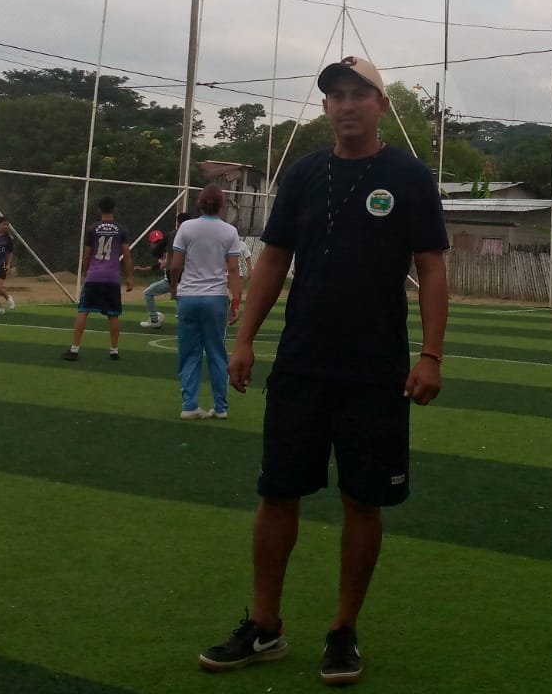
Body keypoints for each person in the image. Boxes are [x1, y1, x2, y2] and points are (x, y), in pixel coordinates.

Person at [198, 55, 448, 686]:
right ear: (326, 107)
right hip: (302, 363)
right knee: (277, 491)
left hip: (376, 369)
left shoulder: (410, 177)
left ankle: (343, 631)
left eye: (358, 94)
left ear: (381, 105)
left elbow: (432, 267)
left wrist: (431, 354)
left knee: (363, 500)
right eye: (335, 95)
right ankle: (265, 625)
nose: (345, 105)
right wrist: (243, 340)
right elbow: (273, 259)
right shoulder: (304, 174)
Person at [169, 184, 244, 421]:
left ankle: (189, 405)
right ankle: (220, 407)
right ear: (222, 206)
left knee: (189, 352)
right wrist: (236, 303)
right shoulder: (230, 231)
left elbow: (175, 265)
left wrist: (175, 288)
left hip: (188, 296)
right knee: (217, 353)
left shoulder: (186, 227)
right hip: (215, 298)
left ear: (199, 204)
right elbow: (233, 270)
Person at [62, 196, 132, 362]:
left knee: (83, 310)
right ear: (114, 209)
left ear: (99, 209)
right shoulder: (121, 230)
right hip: (112, 277)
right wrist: (129, 276)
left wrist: (86, 272)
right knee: (113, 314)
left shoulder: (92, 228)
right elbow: (127, 255)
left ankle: (74, 349)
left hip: (94, 276)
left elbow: (87, 254)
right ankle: (114, 351)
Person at [136, 229, 171, 329]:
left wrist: (166, 263)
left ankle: (154, 320)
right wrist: (145, 269)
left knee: (148, 292)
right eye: (155, 242)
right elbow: (159, 265)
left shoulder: (167, 251)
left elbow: (167, 263)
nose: (157, 244)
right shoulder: (163, 251)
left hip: (173, 281)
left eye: (158, 241)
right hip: (173, 281)